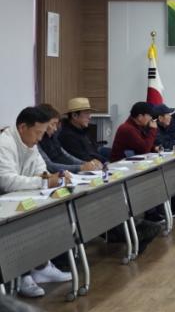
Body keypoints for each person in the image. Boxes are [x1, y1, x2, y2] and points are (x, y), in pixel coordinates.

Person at [0, 107, 72, 298]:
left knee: (51, 212)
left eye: (42, 133)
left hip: (18, 198)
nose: (40, 138)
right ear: (23, 127)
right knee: (23, 222)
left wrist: (54, 178)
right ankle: (22, 275)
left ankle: (41, 266)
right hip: (5, 204)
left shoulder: (30, 143)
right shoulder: (4, 143)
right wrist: (44, 181)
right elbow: (7, 181)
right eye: (38, 133)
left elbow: (42, 171)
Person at [36, 104, 101, 174]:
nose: (55, 129)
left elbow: (65, 155)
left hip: (63, 173)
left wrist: (87, 164)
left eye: (56, 124)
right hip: (55, 175)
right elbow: (49, 166)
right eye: (53, 124)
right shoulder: (66, 135)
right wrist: (81, 167)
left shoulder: (52, 136)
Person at [59, 97, 106, 163]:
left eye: (89, 113)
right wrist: (105, 162)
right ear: (74, 116)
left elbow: (94, 150)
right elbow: (84, 159)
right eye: (86, 113)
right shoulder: (67, 136)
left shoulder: (83, 130)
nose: (90, 117)